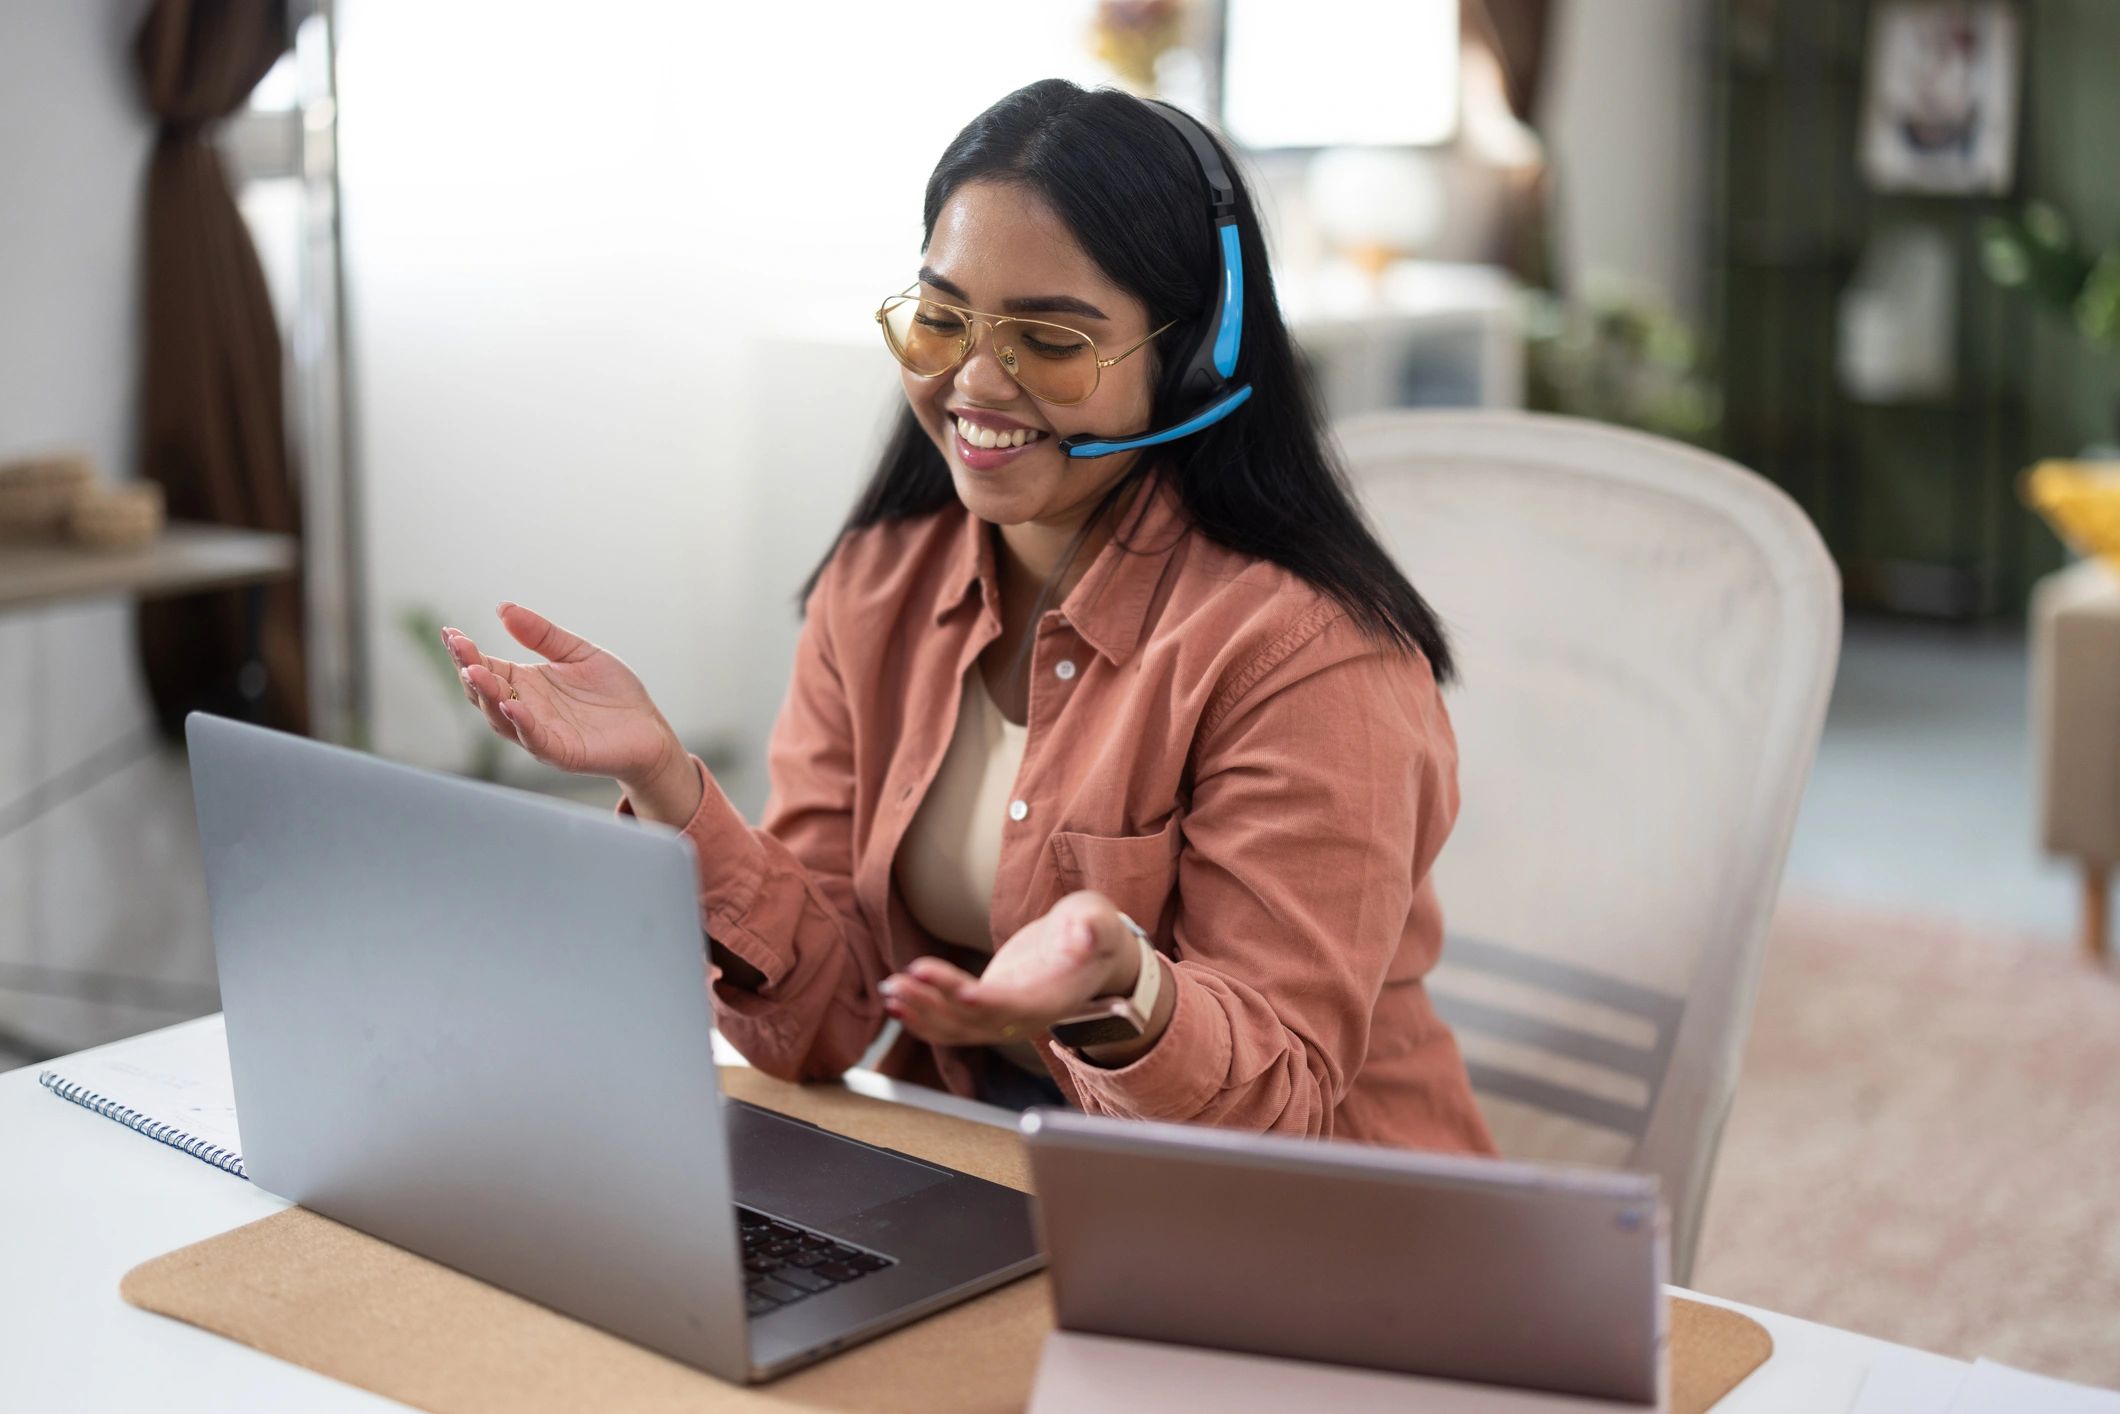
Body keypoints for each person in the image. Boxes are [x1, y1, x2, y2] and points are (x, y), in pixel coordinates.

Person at [441, 79, 1495, 1152]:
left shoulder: (1305, 658)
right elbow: (828, 1016)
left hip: (1317, 1234)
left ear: (1192, 362)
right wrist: (667, 784)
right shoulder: (880, 582)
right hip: (985, 1177)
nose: (974, 382)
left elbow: (1277, 1108)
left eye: (1050, 340)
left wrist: (1121, 989)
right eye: (942, 319)